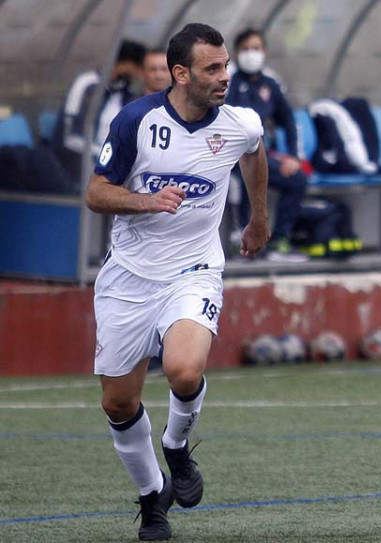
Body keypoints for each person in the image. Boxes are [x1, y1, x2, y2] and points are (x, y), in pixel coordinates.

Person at [85, 23, 269, 541]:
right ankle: (151, 499)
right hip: (129, 276)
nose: (225, 77)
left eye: (227, 65)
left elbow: (256, 151)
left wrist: (259, 220)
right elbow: (96, 193)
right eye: (213, 68)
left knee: (184, 371)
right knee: (118, 403)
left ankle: (176, 446)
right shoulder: (136, 122)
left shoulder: (238, 123)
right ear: (181, 73)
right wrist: (147, 200)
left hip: (195, 270)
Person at [226, 27, 308, 261]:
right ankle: (243, 240)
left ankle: (279, 241)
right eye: (246, 49)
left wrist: (293, 156)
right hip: (230, 156)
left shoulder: (271, 85)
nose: (251, 54)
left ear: (265, 52)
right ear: (237, 53)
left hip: (261, 155)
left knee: (297, 179)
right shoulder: (228, 82)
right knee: (245, 176)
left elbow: (288, 121)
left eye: (256, 49)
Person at [56, 40, 147, 180]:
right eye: (139, 67)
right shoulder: (87, 85)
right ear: (126, 64)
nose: (140, 74)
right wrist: (107, 155)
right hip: (83, 162)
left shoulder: (124, 90)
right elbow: (70, 136)